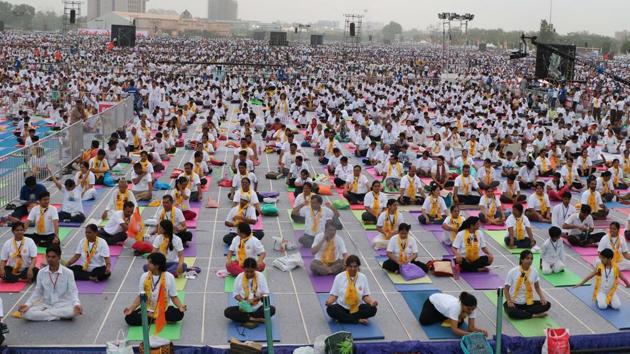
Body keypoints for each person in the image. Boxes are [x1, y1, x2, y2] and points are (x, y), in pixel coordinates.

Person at [16, 246, 82, 321]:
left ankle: (46, 315)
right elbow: (38, 292)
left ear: (59, 257)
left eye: (53, 257)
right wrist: (27, 304)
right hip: (47, 304)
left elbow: (73, 291)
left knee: (72, 311)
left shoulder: (68, 273)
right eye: (48, 257)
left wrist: (76, 304)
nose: (50, 259)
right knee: (26, 314)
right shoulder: (41, 272)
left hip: (63, 304)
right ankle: (57, 316)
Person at [124, 252, 186, 326]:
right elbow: (141, 296)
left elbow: (173, 296)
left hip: (164, 308)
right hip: (148, 308)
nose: (147, 264)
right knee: (129, 318)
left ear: (157, 265)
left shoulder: (169, 277)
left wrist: (180, 306)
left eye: (150, 263)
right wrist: (131, 309)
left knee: (179, 314)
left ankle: (152, 318)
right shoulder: (144, 276)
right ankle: (156, 318)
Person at [326, 255, 378, 324]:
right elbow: (334, 295)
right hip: (342, 307)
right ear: (346, 266)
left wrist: (372, 302)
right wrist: (329, 302)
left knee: (373, 310)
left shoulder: (363, 277)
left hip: (357, 308)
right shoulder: (339, 277)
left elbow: (365, 296)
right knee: (330, 310)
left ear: (358, 267)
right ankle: (357, 319)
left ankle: (345, 319)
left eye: (355, 266)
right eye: (350, 266)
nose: (353, 269)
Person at [224, 257, 275, 327]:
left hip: (258, 307)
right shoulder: (239, 277)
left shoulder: (260, 276)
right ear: (244, 269)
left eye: (251, 271)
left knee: (272, 309)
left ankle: (247, 318)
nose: (249, 274)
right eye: (247, 271)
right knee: (227, 312)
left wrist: (254, 299)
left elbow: (265, 293)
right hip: (244, 309)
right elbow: (236, 294)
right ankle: (254, 319)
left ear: (255, 269)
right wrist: (245, 302)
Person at [504, 250, 551, 319]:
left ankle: (523, 313)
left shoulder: (534, 271)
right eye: (527, 258)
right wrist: (509, 301)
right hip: (514, 302)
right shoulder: (512, 272)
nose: (530, 261)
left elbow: (537, 287)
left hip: (528, 302)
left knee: (547, 304)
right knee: (512, 312)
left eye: (531, 259)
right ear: (522, 259)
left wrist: (542, 297)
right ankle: (533, 315)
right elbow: (506, 289)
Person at [419, 292, 487, 337]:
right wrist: (471, 335)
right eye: (469, 309)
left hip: (447, 308)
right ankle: (446, 317)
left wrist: (480, 331)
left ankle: (449, 317)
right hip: (433, 303)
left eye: (473, 309)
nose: (471, 311)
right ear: (462, 305)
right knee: (423, 321)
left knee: (459, 323)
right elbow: (455, 331)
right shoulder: (455, 307)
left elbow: (471, 328)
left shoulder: (471, 308)